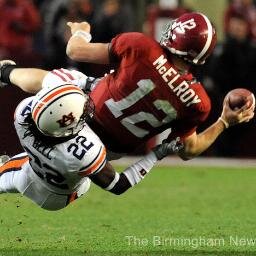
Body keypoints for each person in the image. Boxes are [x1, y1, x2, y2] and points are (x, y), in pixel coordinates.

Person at [0, 12, 254, 161]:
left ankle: (5, 72)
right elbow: (189, 151)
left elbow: (75, 50)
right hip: (110, 151)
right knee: (64, 161)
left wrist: (81, 32)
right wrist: (224, 121)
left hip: (88, 114)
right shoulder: (198, 101)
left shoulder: (142, 47)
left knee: (62, 79)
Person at [0, 81, 182, 211]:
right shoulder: (85, 152)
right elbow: (118, 186)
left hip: (25, 174)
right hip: (60, 198)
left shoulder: (24, 114)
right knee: (86, 177)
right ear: (67, 126)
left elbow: (55, 103)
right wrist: (157, 154)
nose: (87, 106)